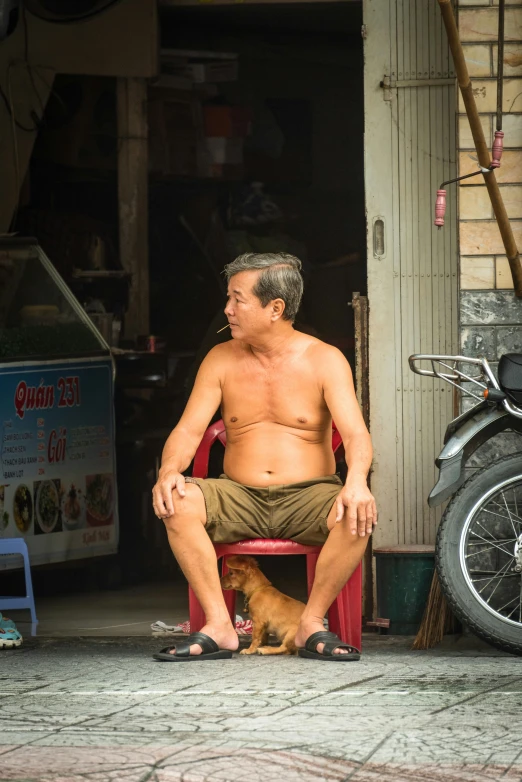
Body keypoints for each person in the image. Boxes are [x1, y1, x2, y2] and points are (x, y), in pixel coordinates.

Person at [152, 252, 377, 662]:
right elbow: (188, 430)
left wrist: (357, 482)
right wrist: (169, 471)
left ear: (275, 308)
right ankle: (219, 626)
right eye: (228, 298)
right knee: (177, 502)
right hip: (238, 493)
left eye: (237, 299)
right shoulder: (221, 358)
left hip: (309, 495)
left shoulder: (324, 360)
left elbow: (357, 435)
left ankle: (311, 623)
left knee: (357, 512)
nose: (227, 309)